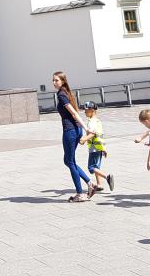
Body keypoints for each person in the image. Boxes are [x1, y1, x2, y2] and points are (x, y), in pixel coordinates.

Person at [51, 71, 96, 202]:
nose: (54, 82)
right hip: (75, 130)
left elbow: (74, 113)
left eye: (57, 80)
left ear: (63, 81)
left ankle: (80, 193)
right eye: (53, 80)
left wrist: (86, 128)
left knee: (70, 162)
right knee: (68, 160)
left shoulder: (61, 95)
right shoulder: (67, 92)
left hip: (70, 131)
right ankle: (90, 184)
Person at [79, 101, 114, 192]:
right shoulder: (98, 121)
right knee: (96, 167)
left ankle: (107, 177)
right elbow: (100, 135)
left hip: (94, 148)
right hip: (99, 147)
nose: (85, 112)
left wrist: (84, 139)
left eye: (86, 110)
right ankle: (99, 184)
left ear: (92, 110)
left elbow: (92, 134)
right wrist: (104, 149)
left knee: (91, 168)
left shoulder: (91, 122)